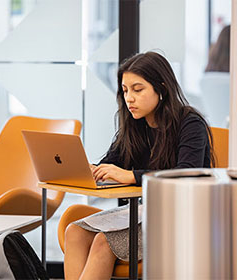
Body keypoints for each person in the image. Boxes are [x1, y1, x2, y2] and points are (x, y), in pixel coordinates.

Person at [63, 51, 215, 280]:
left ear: (161, 88)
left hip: (184, 216)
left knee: (104, 242)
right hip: (147, 213)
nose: (129, 98)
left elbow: (186, 176)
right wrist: (91, 170)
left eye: (137, 89)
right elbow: (111, 163)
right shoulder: (135, 125)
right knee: (75, 231)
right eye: (125, 91)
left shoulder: (190, 124)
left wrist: (132, 176)